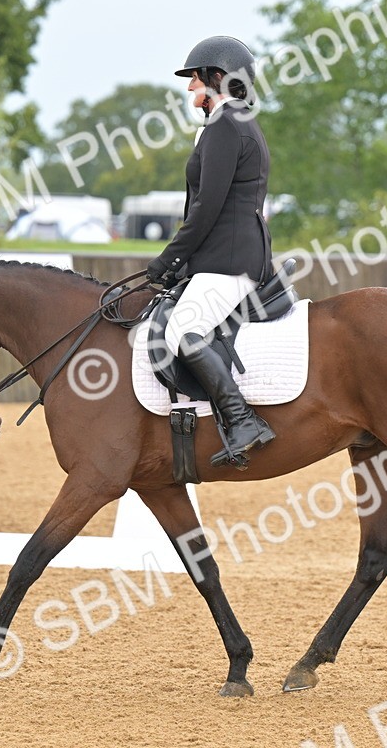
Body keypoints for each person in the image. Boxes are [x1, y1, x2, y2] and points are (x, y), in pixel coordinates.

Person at [146, 35, 275, 468]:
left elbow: (205, 210)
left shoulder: (225, 127)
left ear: (216, 78)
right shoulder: (234, 123)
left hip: (229, 262)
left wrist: (168, 260)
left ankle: (242, 421)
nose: (189, 89)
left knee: (181, 331)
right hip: (225, 257)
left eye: (194, 80)